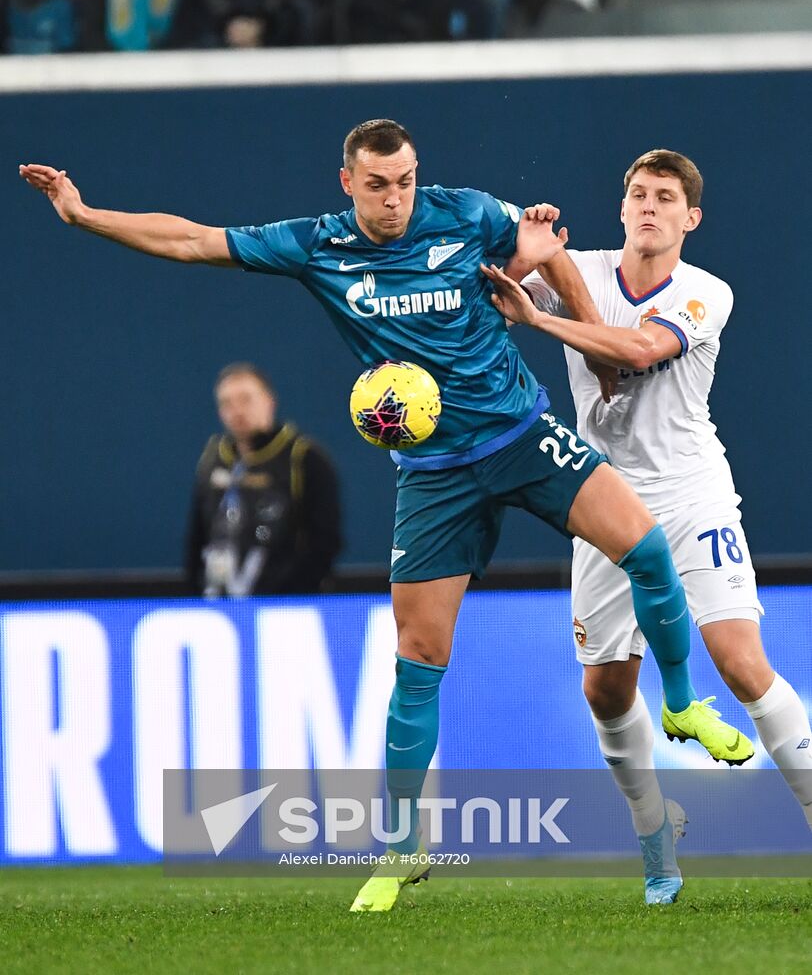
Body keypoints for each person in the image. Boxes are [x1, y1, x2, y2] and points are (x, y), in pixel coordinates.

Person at [20, 121, 750, 913]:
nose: (396, 197)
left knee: (645, 546)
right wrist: (85, 215)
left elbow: (548, 253)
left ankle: (679, 700)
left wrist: (599, 354)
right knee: (418, 658)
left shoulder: (468, 213)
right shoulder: (317, 247)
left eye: (405, 180)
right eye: (378, 184)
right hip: (434, 475)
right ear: (347, 183)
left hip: (522, 435)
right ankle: (402, 848)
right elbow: (196, 240)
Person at [484, 148, 812, 903]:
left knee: (739, 659)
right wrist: (527, 239)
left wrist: (539, 318)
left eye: (665, 197)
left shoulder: (706, 293)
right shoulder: (583, 271)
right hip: (602, 495)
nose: (649, 207)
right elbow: (495, 267)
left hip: (692, 490)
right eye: (638, 194)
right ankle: (654, 828)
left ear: (690, 218)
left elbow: (638, 349)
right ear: (622, 207)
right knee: (604, 691)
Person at [186, 362, 342, 597]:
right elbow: (197, 533)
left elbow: (325, 539)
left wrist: (296, 594)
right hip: (219, 603)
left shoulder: (303, 457)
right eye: (226, 403)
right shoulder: (212, 456)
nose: (237, 411)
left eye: (246, 399)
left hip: (285, 607)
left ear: (269, 401)